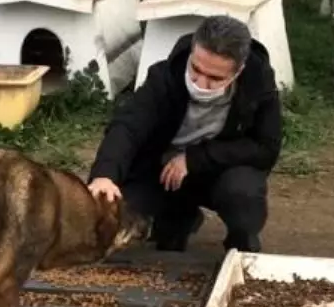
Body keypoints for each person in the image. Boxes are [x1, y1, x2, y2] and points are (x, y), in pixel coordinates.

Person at [86, 14, 282, 253]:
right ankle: (179, 219)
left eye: (215, 78)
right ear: (192, 51)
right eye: (196, 69)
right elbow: (128, 127)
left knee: (243, 195)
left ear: (238, 71)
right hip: (161, 172)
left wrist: (195, 158)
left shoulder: (259, 86)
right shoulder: (164, 76)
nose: (201, 82)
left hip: (219, 171)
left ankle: (240, 246)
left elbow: (265, 148)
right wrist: (105, 175)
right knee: (113, 219)